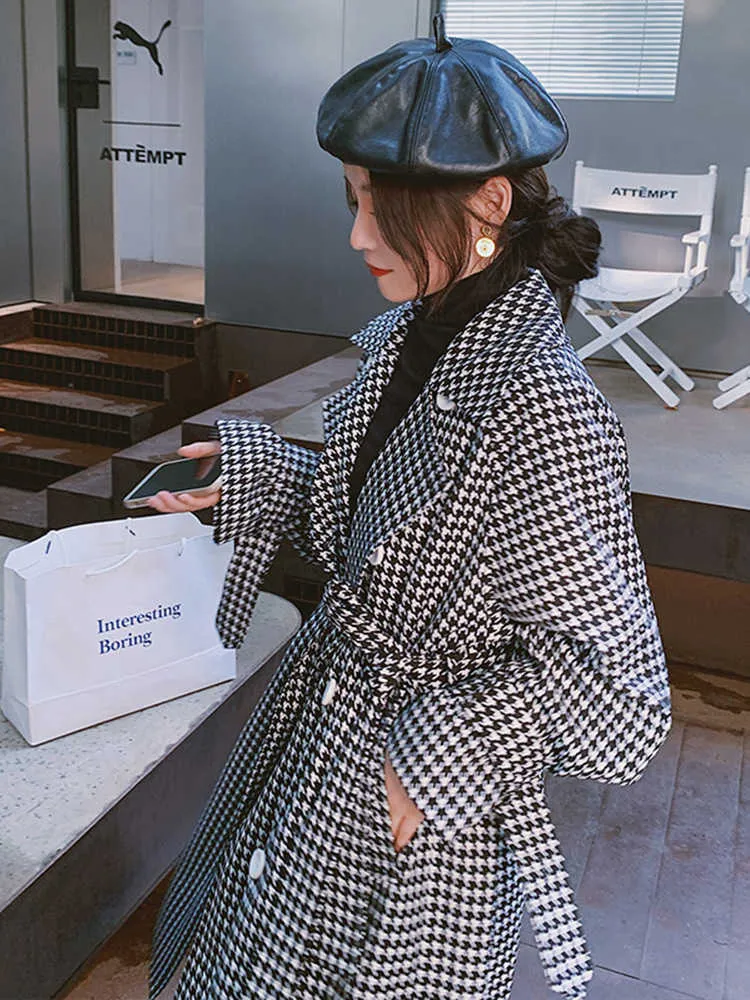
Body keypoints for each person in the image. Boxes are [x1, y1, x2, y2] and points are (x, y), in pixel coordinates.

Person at [146, 15, 672, 1000]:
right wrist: (271, 479)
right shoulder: (413, 334)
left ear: (488, 201)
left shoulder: (543, 407)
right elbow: (402, 540)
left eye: (381, 207)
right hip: (323, 737)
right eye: (351, 200)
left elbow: (621, 698)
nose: (355, 235)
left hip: (412, 837)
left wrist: (417, 770)